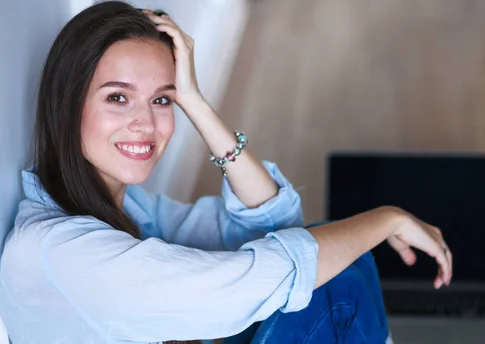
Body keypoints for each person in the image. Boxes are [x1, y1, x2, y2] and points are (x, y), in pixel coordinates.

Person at [0, 2, 453, 344]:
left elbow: (274, 223)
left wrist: (195, 101)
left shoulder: (118, 203)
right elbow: (268, 273)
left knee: (333, 257)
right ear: (67, 101)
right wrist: (386, 219)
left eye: (162, 100)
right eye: (117, 97)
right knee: (339, 286)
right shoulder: (61, 251)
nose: (146, 122)